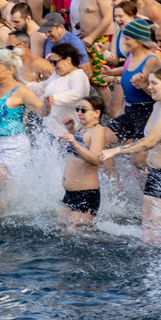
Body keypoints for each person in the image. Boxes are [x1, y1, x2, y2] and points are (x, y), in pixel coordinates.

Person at [101, 66, 161, 245]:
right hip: (155, 175)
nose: (149, 87)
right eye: (149, 83)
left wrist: (116, 150)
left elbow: (150, 141)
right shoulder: (157, 105)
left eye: (154, 83)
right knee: (147, 236)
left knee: (154, 236)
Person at [0, 49, 50, 213]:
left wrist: (48, 104)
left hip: (12, 148)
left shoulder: (20, 90)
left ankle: (2, 217)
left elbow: (42, 111)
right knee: (6, 195)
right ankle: (7, 219)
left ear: (10, 69)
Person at [58, 95, 114, 227]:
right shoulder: (83, 129)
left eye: (83, 110)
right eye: (77, 109)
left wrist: (74, 143)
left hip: (86, 194)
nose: (79, 113)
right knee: (62, 230)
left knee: (78, 235)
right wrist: (71, 129)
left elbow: (95, 160)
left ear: (97, 113)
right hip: (70, 194)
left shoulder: (98, 131)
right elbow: (81, 148)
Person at [109, 19, 161, 142]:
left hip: (147, 112)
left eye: (127, 39)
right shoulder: (131, 56)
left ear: (139, 40)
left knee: (138, 159)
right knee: (101, 136)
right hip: (129, 111)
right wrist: (111, 73)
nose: (124, 42)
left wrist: (143, 85)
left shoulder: (151, 60)